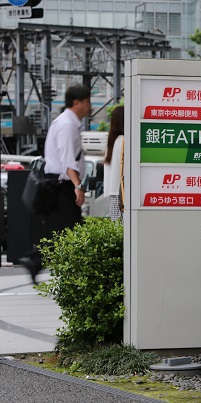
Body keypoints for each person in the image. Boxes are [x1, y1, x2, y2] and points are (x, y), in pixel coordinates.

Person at [18, 85, 91, 284]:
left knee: (67, 231)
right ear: (77, 103)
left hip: (60, 185)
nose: (90, 106)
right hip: (62, 186)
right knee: (71, 232)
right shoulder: (67, 124)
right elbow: (67, 159)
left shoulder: (68, 122)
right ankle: (35, 260)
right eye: (87, 102)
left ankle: (36, 260)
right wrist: (78, 185)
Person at [103, 105, 125, 221]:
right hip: (122, 193)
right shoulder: (123, 141)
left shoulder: (111, 142)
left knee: (117, 228)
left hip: (112, 192)